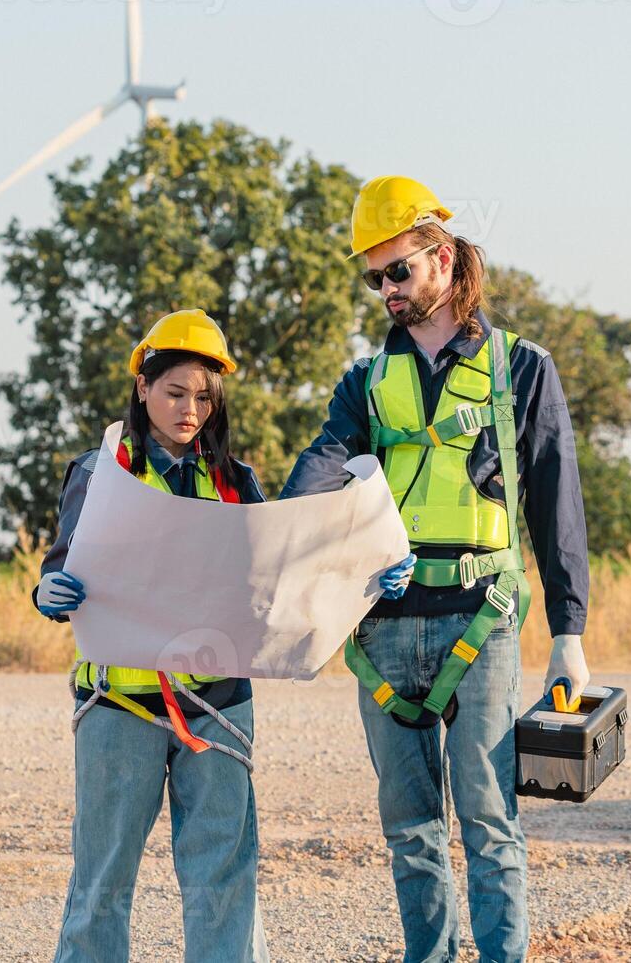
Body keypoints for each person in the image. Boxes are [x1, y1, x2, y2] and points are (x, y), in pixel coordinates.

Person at [279, 176, 594, 962]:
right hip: (381, 627)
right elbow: (324, 461)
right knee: (409, 830)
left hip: (480, 619)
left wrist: (570, 633)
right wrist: (274, 526)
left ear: (443, 261)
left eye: (398, 271)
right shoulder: (363, 382)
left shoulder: (521, 369)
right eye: (373, 277)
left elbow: (558, 504)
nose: (385, 290)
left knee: (489, 818)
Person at [33, 308, 269, 963]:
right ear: (142, 387)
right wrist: (48, 593)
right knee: (102, 882)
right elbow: (63, 566)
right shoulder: (97, 472)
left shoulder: (236, 482)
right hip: (119, 707)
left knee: (223, 880)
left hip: (218, 706)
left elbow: (263, 582)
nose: (190, 409)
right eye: (174, 392)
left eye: (203, 396)